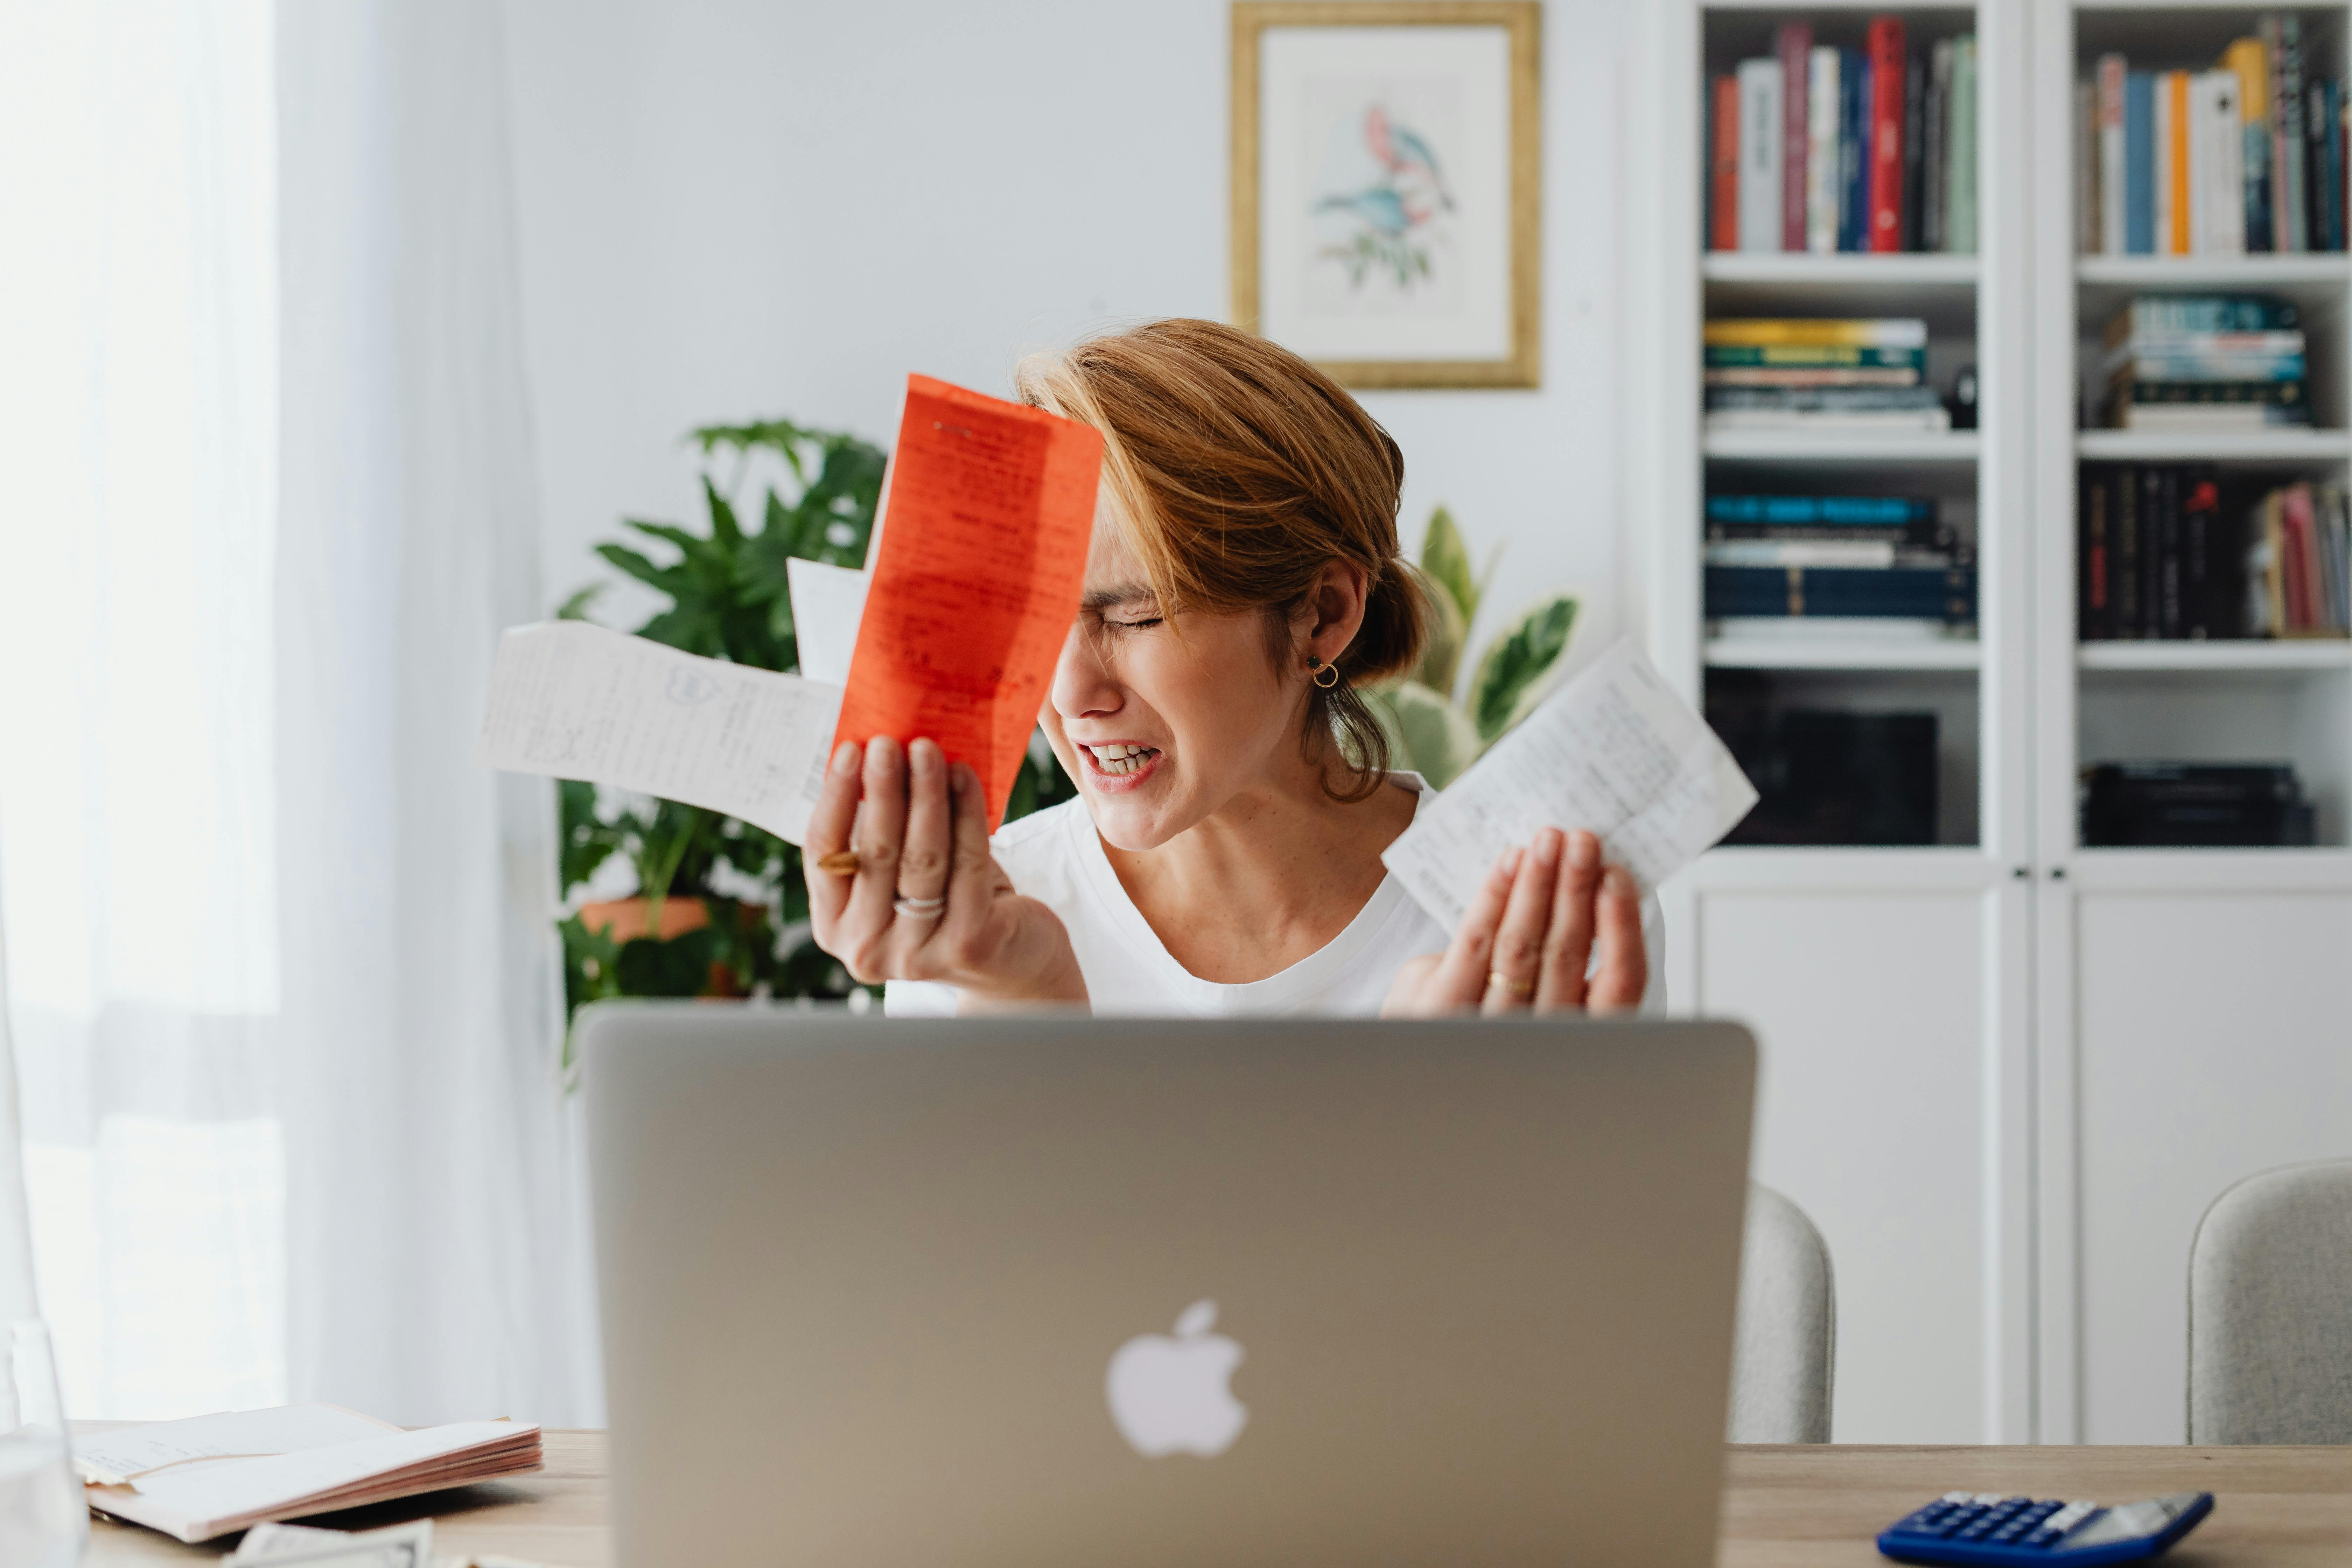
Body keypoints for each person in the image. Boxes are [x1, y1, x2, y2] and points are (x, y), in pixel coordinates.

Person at [803, 318, 1661, 1016]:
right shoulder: (976, 917)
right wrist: (1027, 1004)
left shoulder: (1530, 920)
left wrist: (1440, 1115)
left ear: (1321, 616)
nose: (1068, 695)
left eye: (1135, 614)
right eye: (1036, 622)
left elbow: (1620, 1232)